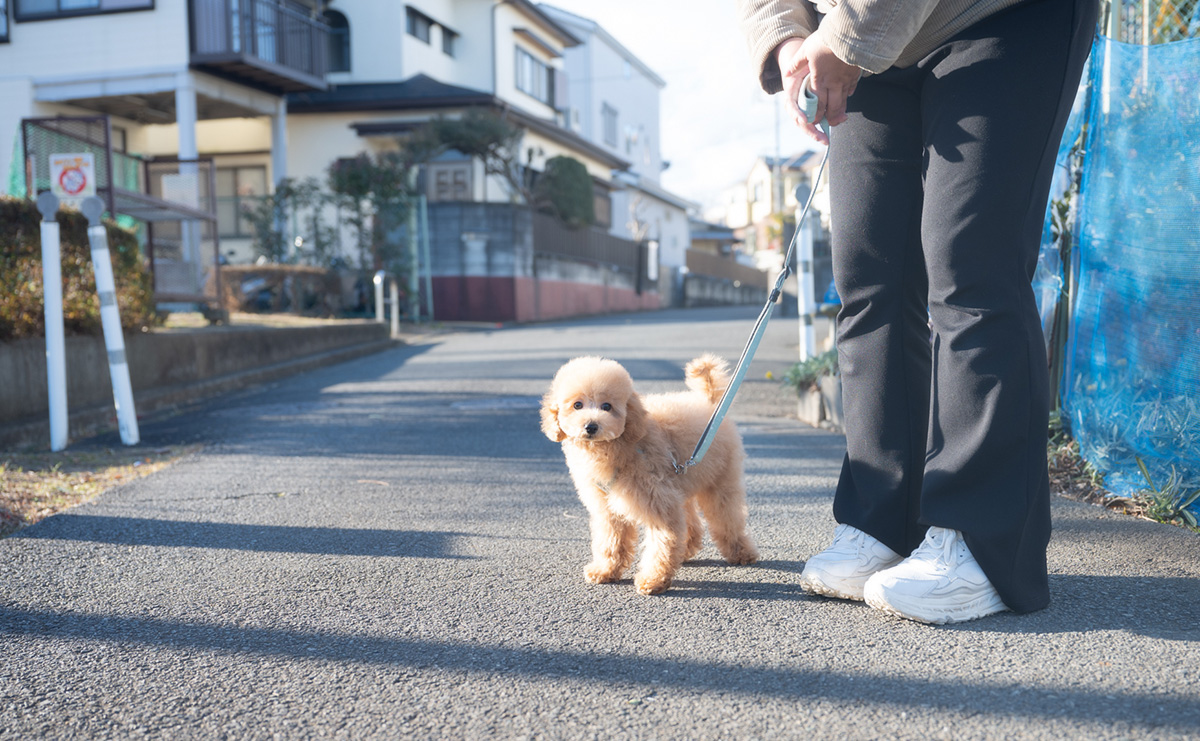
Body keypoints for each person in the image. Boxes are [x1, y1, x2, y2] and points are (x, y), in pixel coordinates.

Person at [738, 0, 1098, 624]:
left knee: (971, 275)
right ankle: (883, 521)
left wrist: (847, 38)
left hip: (995, 18)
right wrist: (789, 42)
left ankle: (981, 543)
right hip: (861, 46)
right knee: (868, 282)